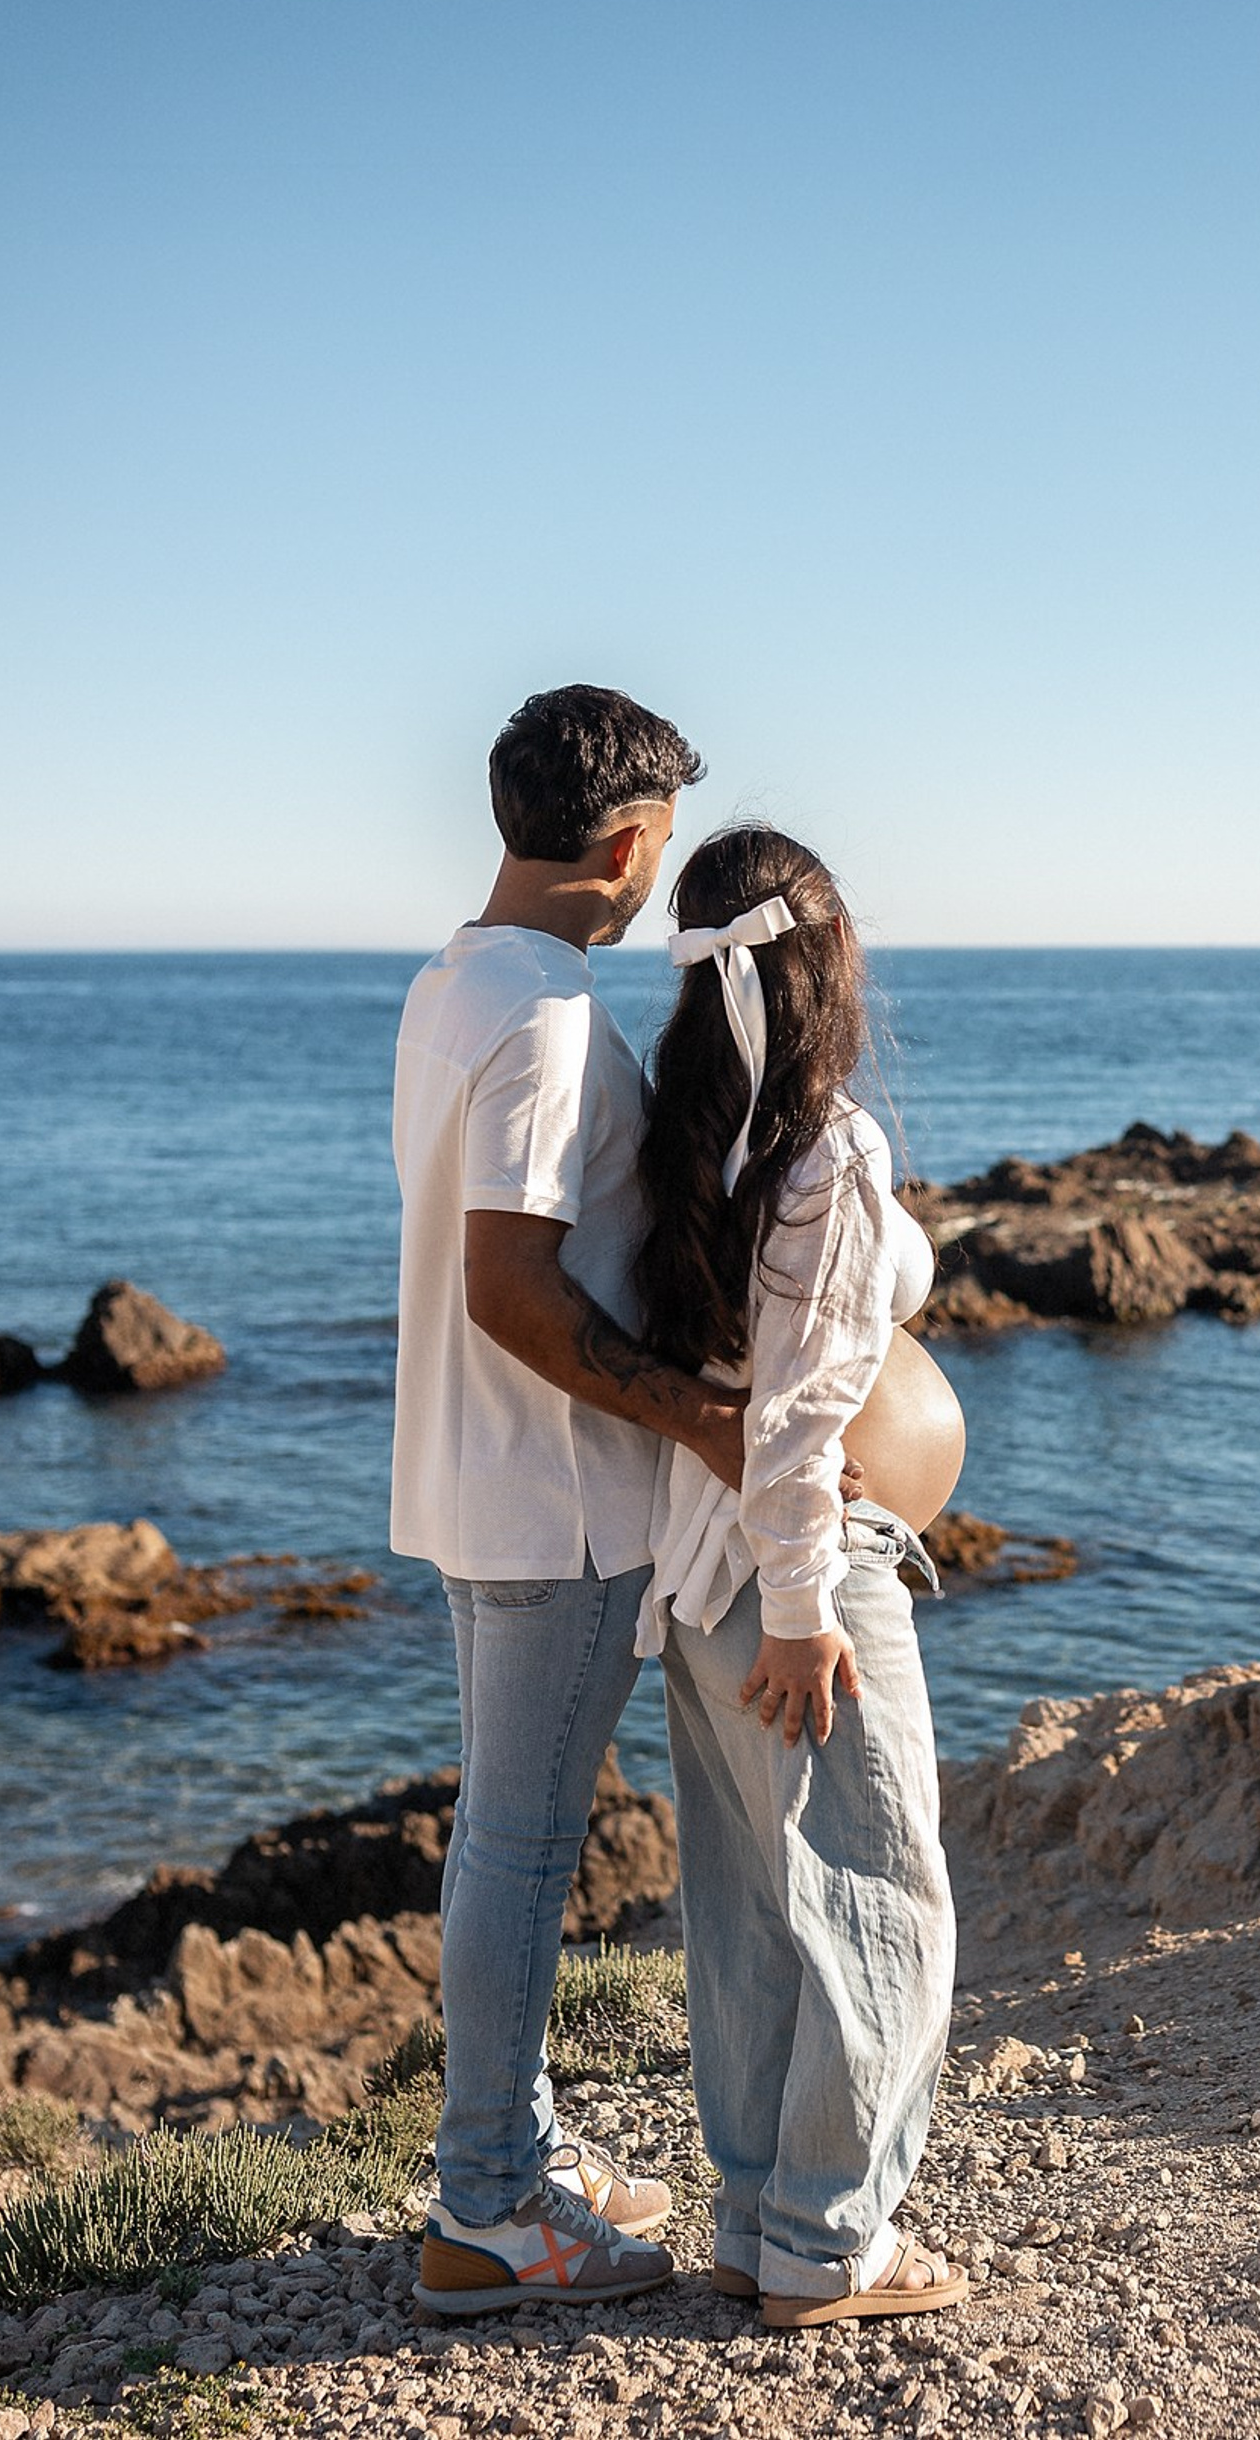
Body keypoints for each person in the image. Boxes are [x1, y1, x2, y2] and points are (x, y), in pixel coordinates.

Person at [392, 685, 742, 2317]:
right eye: (660, 847)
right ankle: (489, 2210)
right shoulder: (542, 1015)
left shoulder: (456, 981)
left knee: (498, 1838)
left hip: (477, 1481)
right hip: (560, 1503)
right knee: (524, 1854)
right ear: (624, 841)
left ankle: (512, 2143)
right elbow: (511, 1288)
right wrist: (703, 1420)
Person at [634, 822, 972, 2329]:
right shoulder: (830, 1149)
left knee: (757, 1911)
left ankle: (757, 2217)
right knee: (883, 1891)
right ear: (826, 964)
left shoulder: (675, 1130)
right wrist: (806, 1614)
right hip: (797, 1579)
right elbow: (796, 1419)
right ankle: (834, 2244)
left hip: (690, 1579)